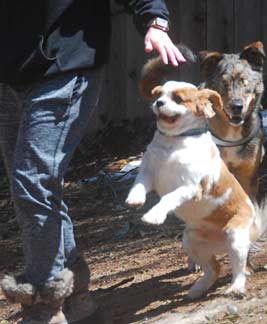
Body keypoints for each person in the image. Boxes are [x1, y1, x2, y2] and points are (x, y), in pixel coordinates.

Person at [0, 1, 185, 323]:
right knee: (33, 187)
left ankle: (45, 302)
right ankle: (76, 298)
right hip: (11, 76)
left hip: (65, 66)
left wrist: (155, 20)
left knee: (32, 180)